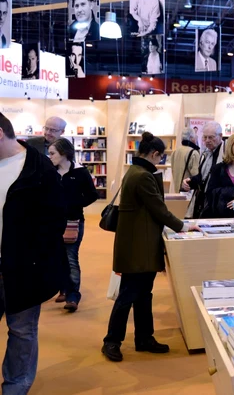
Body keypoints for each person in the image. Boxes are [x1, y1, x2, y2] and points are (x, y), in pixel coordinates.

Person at [102, 132, 194, 362]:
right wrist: (182, 226)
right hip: (138, 248)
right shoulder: (143, 175)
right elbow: (158, 209)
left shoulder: (136, 171)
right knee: (129, 295)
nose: (160, 162)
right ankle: (112, 341)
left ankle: (144, 337)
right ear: (154, 154)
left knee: (143, 294)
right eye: (160, 158)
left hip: (138, 244)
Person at [0, 112, 67, 393]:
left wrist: (36, 262)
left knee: (22, 331)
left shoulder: (40, 170)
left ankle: (16, 385)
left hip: (25, 268)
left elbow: (55, 222)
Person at [47, 138, 98, 312]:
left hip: (73, 222)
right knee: (56, 257)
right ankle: (64, 288)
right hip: (52, 223)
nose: (50, 156)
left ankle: (73, 296)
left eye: (53, 153)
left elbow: (92, 195)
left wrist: (74, 204)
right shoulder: (49, 171)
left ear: (63, 153)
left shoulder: (80, 172)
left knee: (70, 257)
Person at [182, 122, 225, 218]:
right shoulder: (204, 153)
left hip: (218, 204)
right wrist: (189, 181)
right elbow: (202, 177)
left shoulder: (227, 155)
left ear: (220, 136)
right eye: (205, 137)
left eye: (211, 137)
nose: (207, 140)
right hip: (202, 201)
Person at [172, 127, 200, 198]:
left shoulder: (175, 151)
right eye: (195, 136)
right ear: (191, 138)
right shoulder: (193, 153)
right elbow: (196, 175)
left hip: (177, 190)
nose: (196, 138)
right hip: (188, 192)